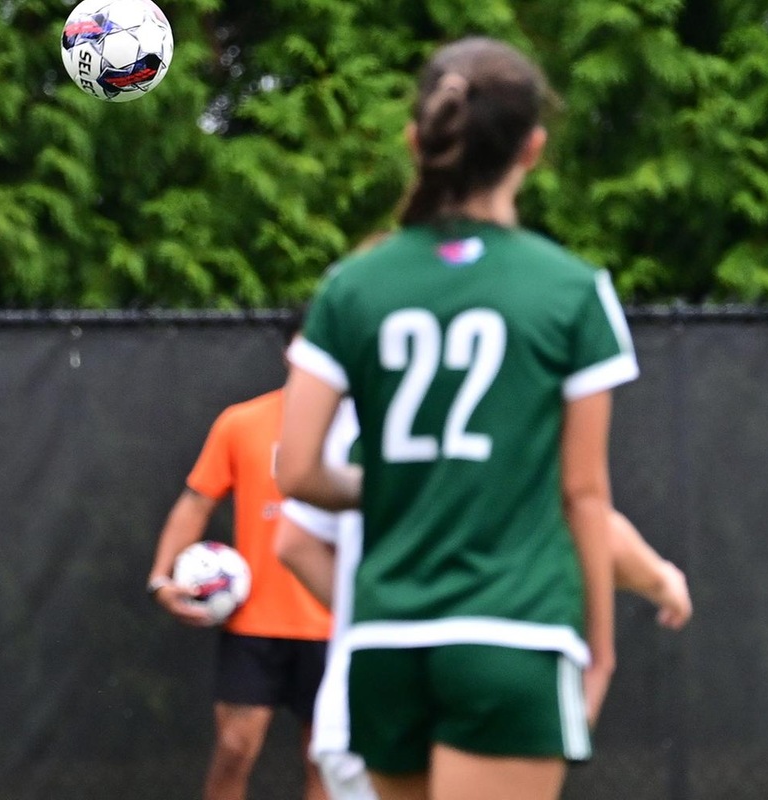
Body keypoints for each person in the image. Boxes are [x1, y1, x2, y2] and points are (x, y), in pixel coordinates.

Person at [275, 36, 635, 800]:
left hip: (385, 643)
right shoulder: (571, 292)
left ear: (417, 141)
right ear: (532, 149)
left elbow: (297, 471)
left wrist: (392, 480)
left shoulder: (351, 287)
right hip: (510, 633)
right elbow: (584, 495)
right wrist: (600, 650)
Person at [273, 404, 691, 800]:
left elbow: (294, 542)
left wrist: (374, 611)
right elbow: (587, 520)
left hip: (362, 694)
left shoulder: (354, 406)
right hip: (494, 671)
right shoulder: (511, 397)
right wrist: (661, 579)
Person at [146, 316, 328, 800]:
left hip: (334, 623)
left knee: (325, 764)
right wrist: (161, 580)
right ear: (290, 351)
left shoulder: (361, 430)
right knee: (234, 748)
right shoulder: (243, 422)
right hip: (253, 624)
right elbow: (195, 501)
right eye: (309, 342)